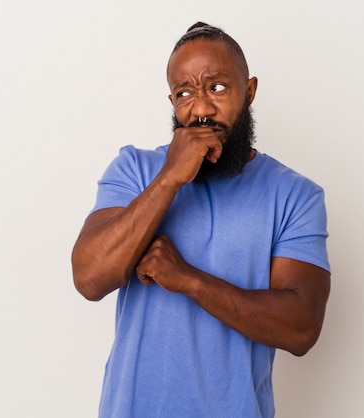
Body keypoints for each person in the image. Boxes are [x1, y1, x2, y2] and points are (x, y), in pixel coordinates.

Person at [71, 22, 331, 418]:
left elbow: (301, 328)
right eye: (185, 93)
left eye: (217, 88)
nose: (200, 109)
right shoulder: (136, 170)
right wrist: (170, 176)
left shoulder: (296, 195)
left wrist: (189, 280)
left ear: (250, 91)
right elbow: (90, 279)